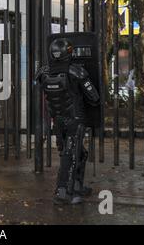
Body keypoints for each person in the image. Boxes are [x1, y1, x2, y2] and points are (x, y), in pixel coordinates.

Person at [36, 39, 100, 205]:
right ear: (68, 52)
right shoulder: (76, 72)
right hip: (75, 119)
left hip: (57, 120)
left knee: (79, 153)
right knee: (70, 155)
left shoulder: (43, 72)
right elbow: (94, 97)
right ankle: (62, 191)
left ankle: (77, 186)